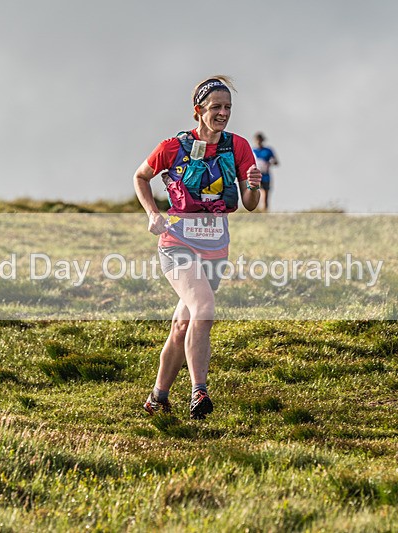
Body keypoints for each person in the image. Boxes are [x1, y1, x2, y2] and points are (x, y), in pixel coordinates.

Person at [133, 76, 262, 420]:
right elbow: (141, 176)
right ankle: (199, 392)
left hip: (216, 247)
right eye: (216, 107)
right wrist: (152, 214)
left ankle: (157, 397)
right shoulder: (173, 147)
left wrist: (252, 187)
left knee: (183, 324)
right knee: (204, 307)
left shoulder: (237, 147)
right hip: (176, 242)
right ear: (198, 112)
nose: (223, 113)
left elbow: (249, 204)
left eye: (228, 108)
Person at [252, 132, 278, 211]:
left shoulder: (268, 151)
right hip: (256, 175)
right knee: (255, 194)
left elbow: (276, 161)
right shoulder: (253, 151)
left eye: (260, 140)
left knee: (265, 195)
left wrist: (269, 163)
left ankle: (264, 211)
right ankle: (255, 210)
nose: (258, 142)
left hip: (265, 175)